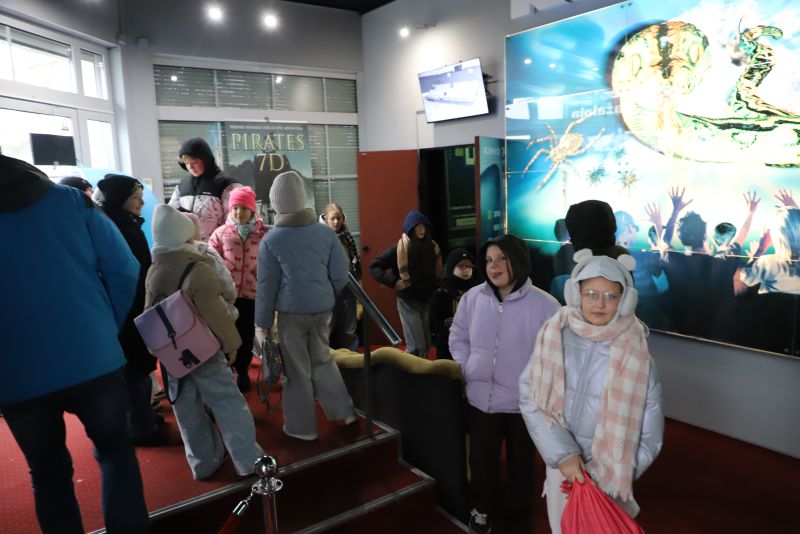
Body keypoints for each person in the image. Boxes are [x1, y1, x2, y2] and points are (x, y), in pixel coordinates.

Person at [0, 155, 149, 533]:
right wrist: (106, 326)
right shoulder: (69, 201)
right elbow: (125, 268)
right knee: (116, 453)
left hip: (15, 373)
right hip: (93, 355)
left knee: (47, 472)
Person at [520, 250, 664, 534]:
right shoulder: (554, 336)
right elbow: (531, 397)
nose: (600, 303)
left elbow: (650, 437)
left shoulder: (639, 356)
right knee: (561, 528)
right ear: (576, 294)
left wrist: (607, 474)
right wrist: (564, 455)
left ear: (625, 300)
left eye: (611, 296)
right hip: (562, 466)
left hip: (608, 479)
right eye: (591, 294)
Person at [449, 234, 560, 534]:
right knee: (481, 462)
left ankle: (519, 520)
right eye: (488, 260)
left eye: (502, 258)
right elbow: (458, 336)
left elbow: (557, 355)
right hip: (481, 399)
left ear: (518, 261)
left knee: (521, 466)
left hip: (524, 404)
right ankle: (481, 512)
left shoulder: (545, 305)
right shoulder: (473, 298)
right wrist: (467, 365)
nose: (493, 266)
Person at [144, 204, 264, 479]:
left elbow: (149, 315)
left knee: (187, 410)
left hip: (174, 356)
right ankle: (248, 460)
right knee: (227, 403)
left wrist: (158, 351)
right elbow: (216, 314)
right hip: (205, 349)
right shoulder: (198, 269)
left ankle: (203, 462)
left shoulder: (154, 270)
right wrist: (231, 345)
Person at [255, 171, 356, 441]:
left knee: (296, 371)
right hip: (322, 310)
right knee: (323, 359)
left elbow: (266, 286)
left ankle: (303, 428)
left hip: (290, 314)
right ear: (302, 199)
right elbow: (341, 273)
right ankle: (343, 411)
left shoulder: (271, 240)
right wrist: (326, 292)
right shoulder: (325, 234)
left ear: (276, 203)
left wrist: (263, 322)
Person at [95, 173, 170, 446]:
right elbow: (129, 276)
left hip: (132, 309)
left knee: (136, 368)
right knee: (136, 369)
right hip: (128, 312)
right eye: (135, 197)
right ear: (119, 200)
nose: (141, 202)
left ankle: (140, 418)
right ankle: (140, 428)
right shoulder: (119, 228)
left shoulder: (120, 223)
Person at [209, 186, 269, 391]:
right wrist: (226, 267)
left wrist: (259, 275)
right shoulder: (220, 233)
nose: (239, 212)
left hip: (251, 294)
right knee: (226, 332)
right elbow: (211, 257)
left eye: (244, 208)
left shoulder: (261, 235)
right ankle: (227, 370)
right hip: (227, 294)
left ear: (252, 210)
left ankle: (242, 369)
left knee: (246, 333)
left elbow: (269, 262)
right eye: (235, 208)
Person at [369, 209, 442, 357]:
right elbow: (374, 266)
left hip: (427, 299)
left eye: (423, 226)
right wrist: (394, 282)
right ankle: (410, 370)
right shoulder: (399, 248)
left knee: (427, 344)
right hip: (408, 300)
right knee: (417, 345)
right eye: (417, 226)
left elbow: (438, 271)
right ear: (410, 229)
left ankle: (419, 369)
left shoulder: (432, 247)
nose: (421, 230)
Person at [169, 137, 241, 241]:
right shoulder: (183, 184)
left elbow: (235, 220)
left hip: (217, 246)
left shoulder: (226, 183)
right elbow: (171, 214)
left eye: (195, 162)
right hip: (188, 246)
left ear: (206, 160)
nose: (190, 167)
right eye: (187, 163)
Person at [320, 202, 361, 351]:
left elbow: (353, 259)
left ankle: (352, 357)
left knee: (349, 327)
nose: (336, 222)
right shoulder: (320, 236)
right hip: (329, 288)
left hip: (348, 286)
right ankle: (323, 358)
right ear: (325, 218)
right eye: (333, 218)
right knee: (327, 326)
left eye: (339, 218)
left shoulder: (346, 236)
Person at [429, 247, 478, 360]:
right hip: (448, 346)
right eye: (461, 266)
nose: (466, 270)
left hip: (473, 345)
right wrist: (456, 322)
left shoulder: (477, 290)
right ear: (452, 268)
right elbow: (434, 324)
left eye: (469, 266)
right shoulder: (442, 292)